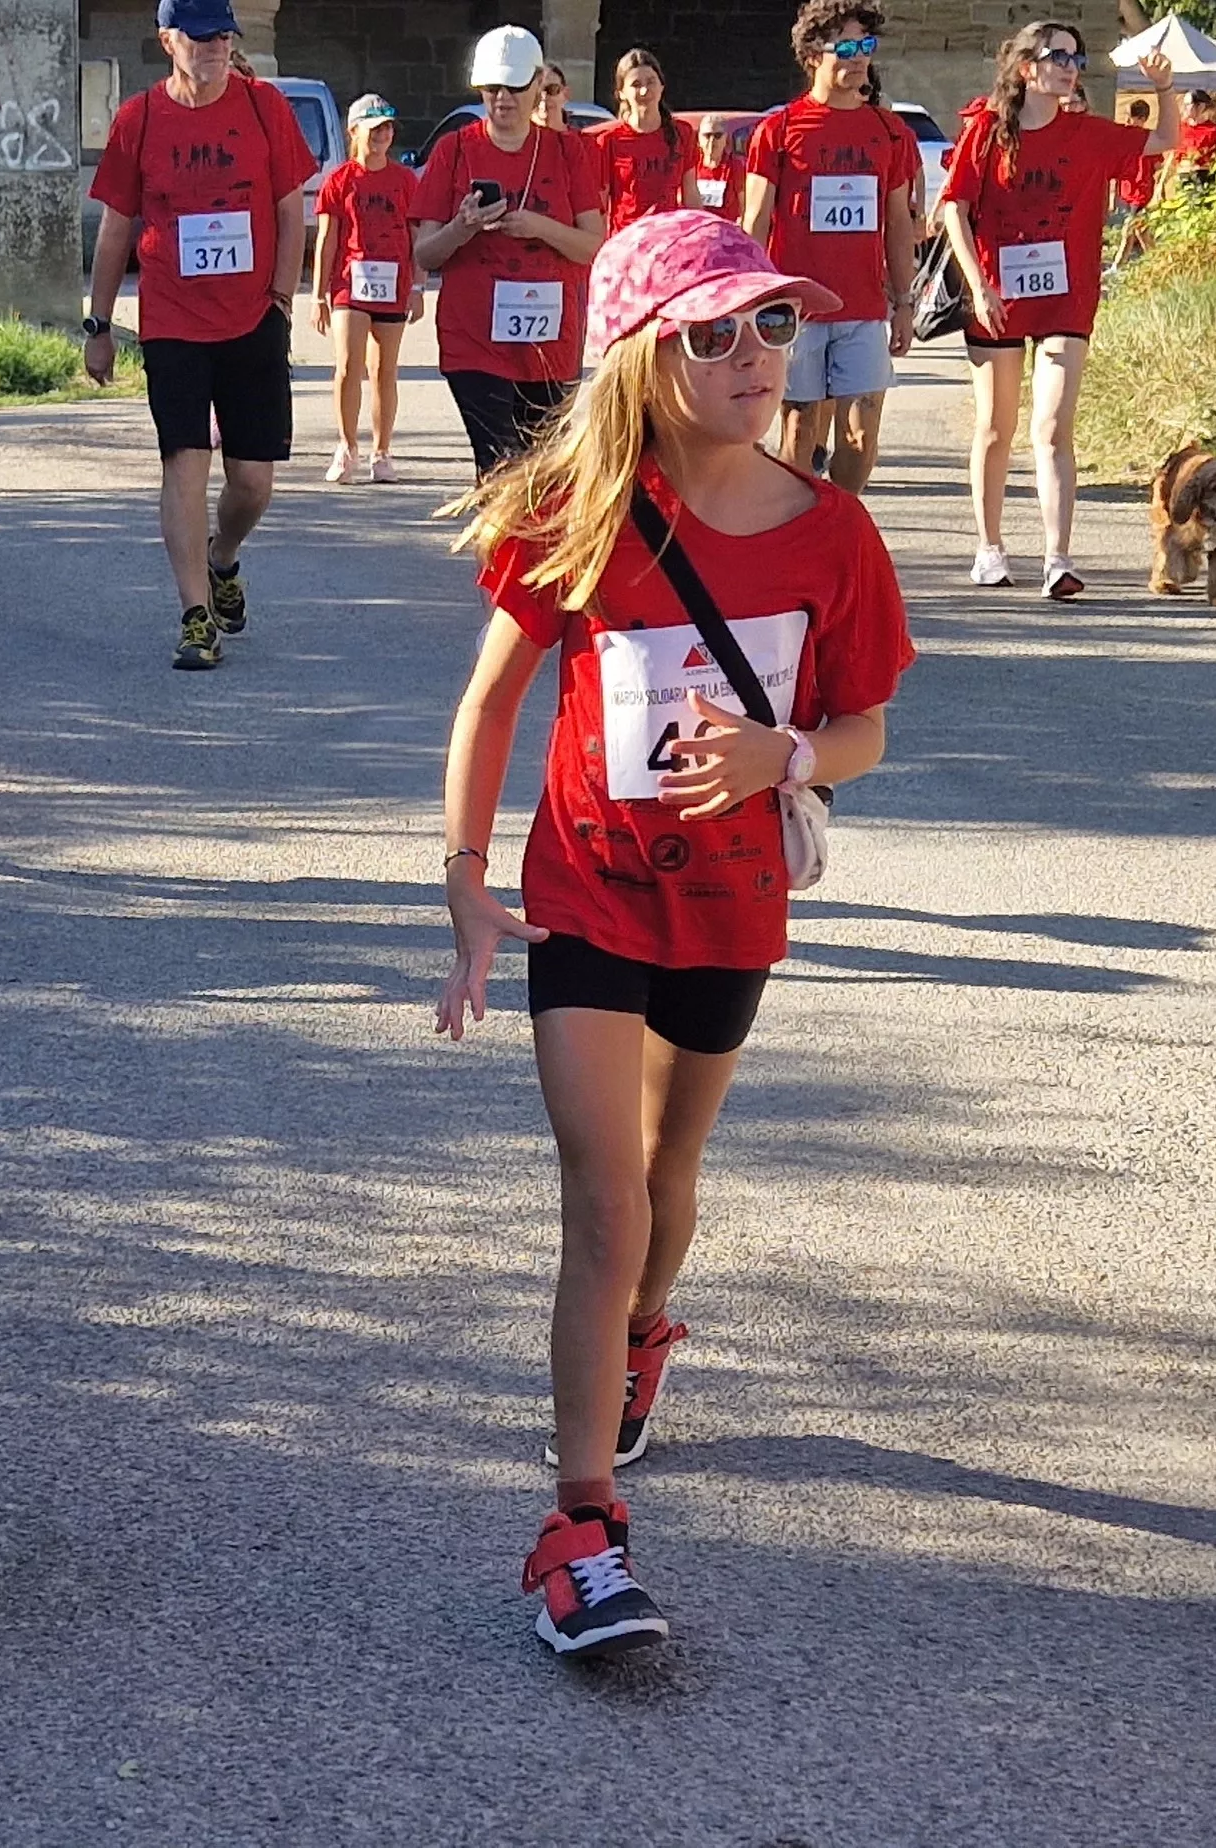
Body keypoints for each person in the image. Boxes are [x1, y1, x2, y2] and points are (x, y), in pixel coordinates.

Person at [437, 210, 912, 1658]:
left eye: (771, 323)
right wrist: (466, 878)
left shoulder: (832, 533)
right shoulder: (573, 516)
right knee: (602, 1192)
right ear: (644, 357)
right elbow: (491, 701)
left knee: (666, 1164)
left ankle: (645, 1339)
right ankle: (580, 1532)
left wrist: (793, 762)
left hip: (730, 906)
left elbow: (867, 730)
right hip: (587, 887)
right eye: (713, 332)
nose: (756, 353)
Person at [82, 0, 316, 671]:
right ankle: (193, 617)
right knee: (183, 465)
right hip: (173, 324)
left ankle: (223, 557)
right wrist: (99, 325)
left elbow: (290, 207)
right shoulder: (140, 118)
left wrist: (280, 298)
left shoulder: (264, 107)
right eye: (199, 36)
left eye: (223, 36)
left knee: (253, 482)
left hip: (252, 319)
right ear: (167, 40)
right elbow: (116, 228)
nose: (214, 47)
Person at [938, 25, 1179, 597]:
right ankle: (989, 548)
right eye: (1058, 56)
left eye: (1077, 56)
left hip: (1065, 300)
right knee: (996, 428)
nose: (1072, 66)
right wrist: (977, 287)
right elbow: (954, 207)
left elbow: (1165, 140)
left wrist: (1164, 88)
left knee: (1051, 428)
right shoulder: (987, 134)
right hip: (997, 297)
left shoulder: (1088, 133)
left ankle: (1057, 558)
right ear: (1028, 69)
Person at [739, 0, 920, 493]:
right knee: (799, 434)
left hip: (862, 307)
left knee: (861, 437)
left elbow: (899, 224)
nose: (859, 58)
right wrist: (747, 307)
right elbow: (754, 220)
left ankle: (841, 525)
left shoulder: (889, 131)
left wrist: (904, 303)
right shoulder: (777, 131)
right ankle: (795, 534)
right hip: (796, 309)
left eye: (866, 46)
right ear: (813, 53)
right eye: (847, 46)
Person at [413, 27, 609, 476]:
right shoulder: (454, 150)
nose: (502, 98)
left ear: (538, 82)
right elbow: (425, 254)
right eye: (491, 88)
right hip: (475, 340)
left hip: (549, 340)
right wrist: (462, 227)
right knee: (500, 468)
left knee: (542, 474)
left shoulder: (567, 151)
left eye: (514, 86)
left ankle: (530, 548)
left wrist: (537, 225)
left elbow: (591, 244)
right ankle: (500, 546)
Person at [310, 94, 424, 483]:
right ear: (354, 131)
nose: (382, 135)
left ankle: (382, 450)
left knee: (384, 371)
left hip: (393, 283)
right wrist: (318, 294)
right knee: (347, 367)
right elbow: (327, 238)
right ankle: (346, 445)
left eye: (388, 128)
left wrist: (418, 286)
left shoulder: (405, 181)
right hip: (349, 284)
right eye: (374, 129)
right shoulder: (339, 181)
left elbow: (416, 237)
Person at [591, 49, 702, 231]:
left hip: (670, 238)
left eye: (651, 82)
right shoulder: (609, 141)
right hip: (628, 242)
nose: (644, 90)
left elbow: (691, 195)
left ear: (661, 86)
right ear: (621, 93)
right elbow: (601, 206)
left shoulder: (683, 133)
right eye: (636, 84)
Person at [688, 115, 747, 221]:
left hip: (726, 230)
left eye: (717, 136)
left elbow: (745, 207)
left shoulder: (735, 167)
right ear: (698, 139)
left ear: (726, 139)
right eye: (707, 135)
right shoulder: (691, 166)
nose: (712, 142)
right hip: (699, 229)